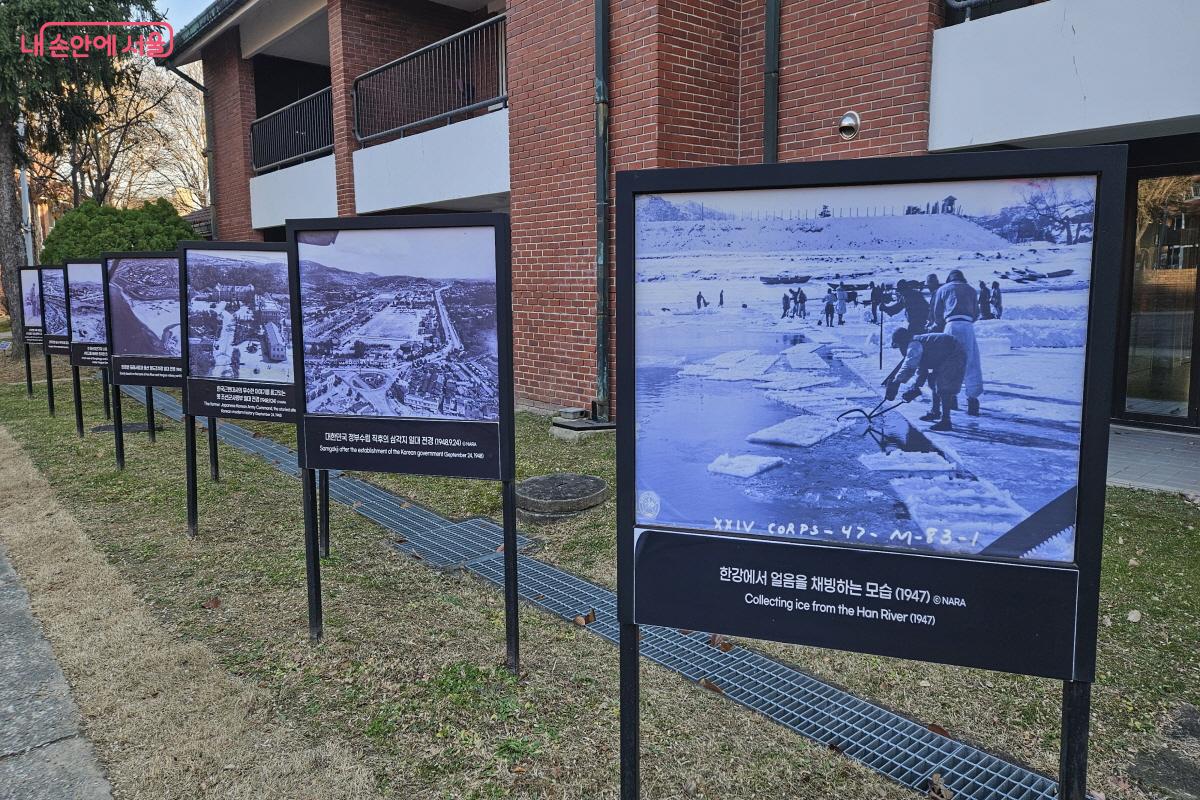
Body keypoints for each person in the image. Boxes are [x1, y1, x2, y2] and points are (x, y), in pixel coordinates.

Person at [885, 327, 966, 432]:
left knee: (943, 386)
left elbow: (909, 365)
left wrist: (896, 382)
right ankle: (935, 412)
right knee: (932, 381)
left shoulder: (914, 345)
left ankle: (946, 421)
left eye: (899, 345)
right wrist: (915, 387)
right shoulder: (916, 344)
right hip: (944, 355)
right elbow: (922, 370)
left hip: (954, 354)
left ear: (902, 341)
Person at [931, 268, 982, 416]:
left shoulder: (943, 289)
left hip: (951, 327)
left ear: (949, 279)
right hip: (967, 328)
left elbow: (937, 315)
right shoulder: (972, 290)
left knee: (949, 363)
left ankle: (951, 398)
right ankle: (973, 400)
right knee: (971, 362)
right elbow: (976, 313)